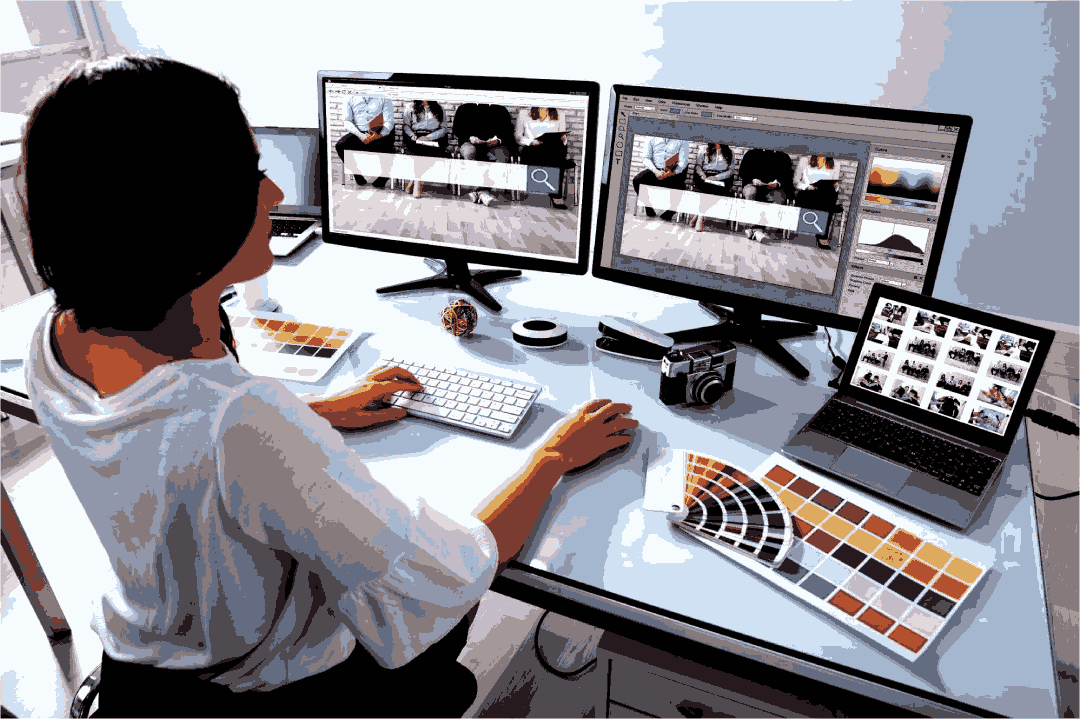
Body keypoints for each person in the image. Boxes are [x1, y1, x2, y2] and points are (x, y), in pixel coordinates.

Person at [21, 56, 638, 719]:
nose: (275, 196)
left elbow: (171, 444)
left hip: (143, 663)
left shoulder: (55, 338)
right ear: (186, 215)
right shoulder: (243, 424)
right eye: (252, 177)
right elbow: (445, 573)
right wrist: (552, 456)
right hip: (268, 691)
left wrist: (316, 409)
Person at [453, 102, 516, 206]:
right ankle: (483, 192)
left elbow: (507, 131)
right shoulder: (464, 108)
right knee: (468, 151)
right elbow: (456, 129)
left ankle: (479, 191)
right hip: (469, 143)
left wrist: (498, 140)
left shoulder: (500, 109)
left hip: (494, 146)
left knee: (502, 155)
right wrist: (469, 138)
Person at [335, 91, 396, 190]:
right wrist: (360, 135)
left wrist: (379, 135)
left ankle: (382, 179)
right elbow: (346, 121)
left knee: (390, 148)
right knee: (340, 145)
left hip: (378, 132)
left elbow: (389, 122)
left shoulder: (385, 97)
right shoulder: (349, 98)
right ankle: (357, 174)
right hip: (359, 133)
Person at [516, 107, 571, 210]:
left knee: (557, 151)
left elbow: (563, 138)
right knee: (556, 158)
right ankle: (555, 193)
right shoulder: (524, 112)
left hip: (552, 149)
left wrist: (564, 140)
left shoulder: (560, 113)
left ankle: (556, 194)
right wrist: (530, 142)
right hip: (532, 149)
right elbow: (518, 137)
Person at [738, 148, 794, 241]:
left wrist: (778, 183)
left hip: (774, 188)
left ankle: (756, 229)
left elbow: (787, 176)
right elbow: (742, 172)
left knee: (779, 197)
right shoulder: (751, 153)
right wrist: (752, 179)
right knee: (750, 192)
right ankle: (757, 229)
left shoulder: (783, 157)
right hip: (752, 184)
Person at [632, 137, 690, 221]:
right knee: (637, 180)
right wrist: (655, 171)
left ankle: (669, 213)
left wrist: (672, 172)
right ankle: (648, 207)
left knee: (681, 188)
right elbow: (646, 158)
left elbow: (683, 162)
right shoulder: (651, 138)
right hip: (655, 170)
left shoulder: (683, 141)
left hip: (673, 172)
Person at [402, 100, 449, 199]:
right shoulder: (410, 107)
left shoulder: (439, 108)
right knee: (420, 150)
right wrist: (412, 135)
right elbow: (406, 126)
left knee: (427, 150)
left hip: (433, 137)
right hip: (416, 137)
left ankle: (415, 181)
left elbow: (444, 128)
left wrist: (428, 137)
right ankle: (417, 183)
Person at [689, 143, 734, 229]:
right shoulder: (703, 149)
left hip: (721, 177)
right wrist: (702, 175)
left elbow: (731, 171)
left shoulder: (730, 152)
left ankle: (699, 216)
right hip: (705, 176)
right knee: (707, 187)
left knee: (712, 189)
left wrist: (716, 177)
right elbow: (698, 166)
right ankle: (700, 217)